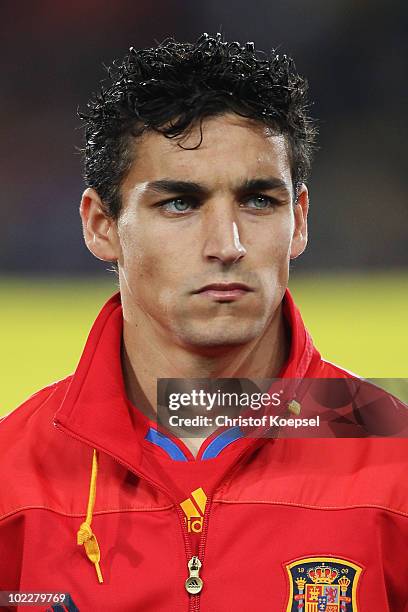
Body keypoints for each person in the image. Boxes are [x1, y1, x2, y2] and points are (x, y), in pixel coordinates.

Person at [0, 33, 407, 612]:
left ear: (299, 221)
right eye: (180, 203)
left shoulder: (396, 460)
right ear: (101, 226)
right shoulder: (11, 478)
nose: (228, 244)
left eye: (259, 200)